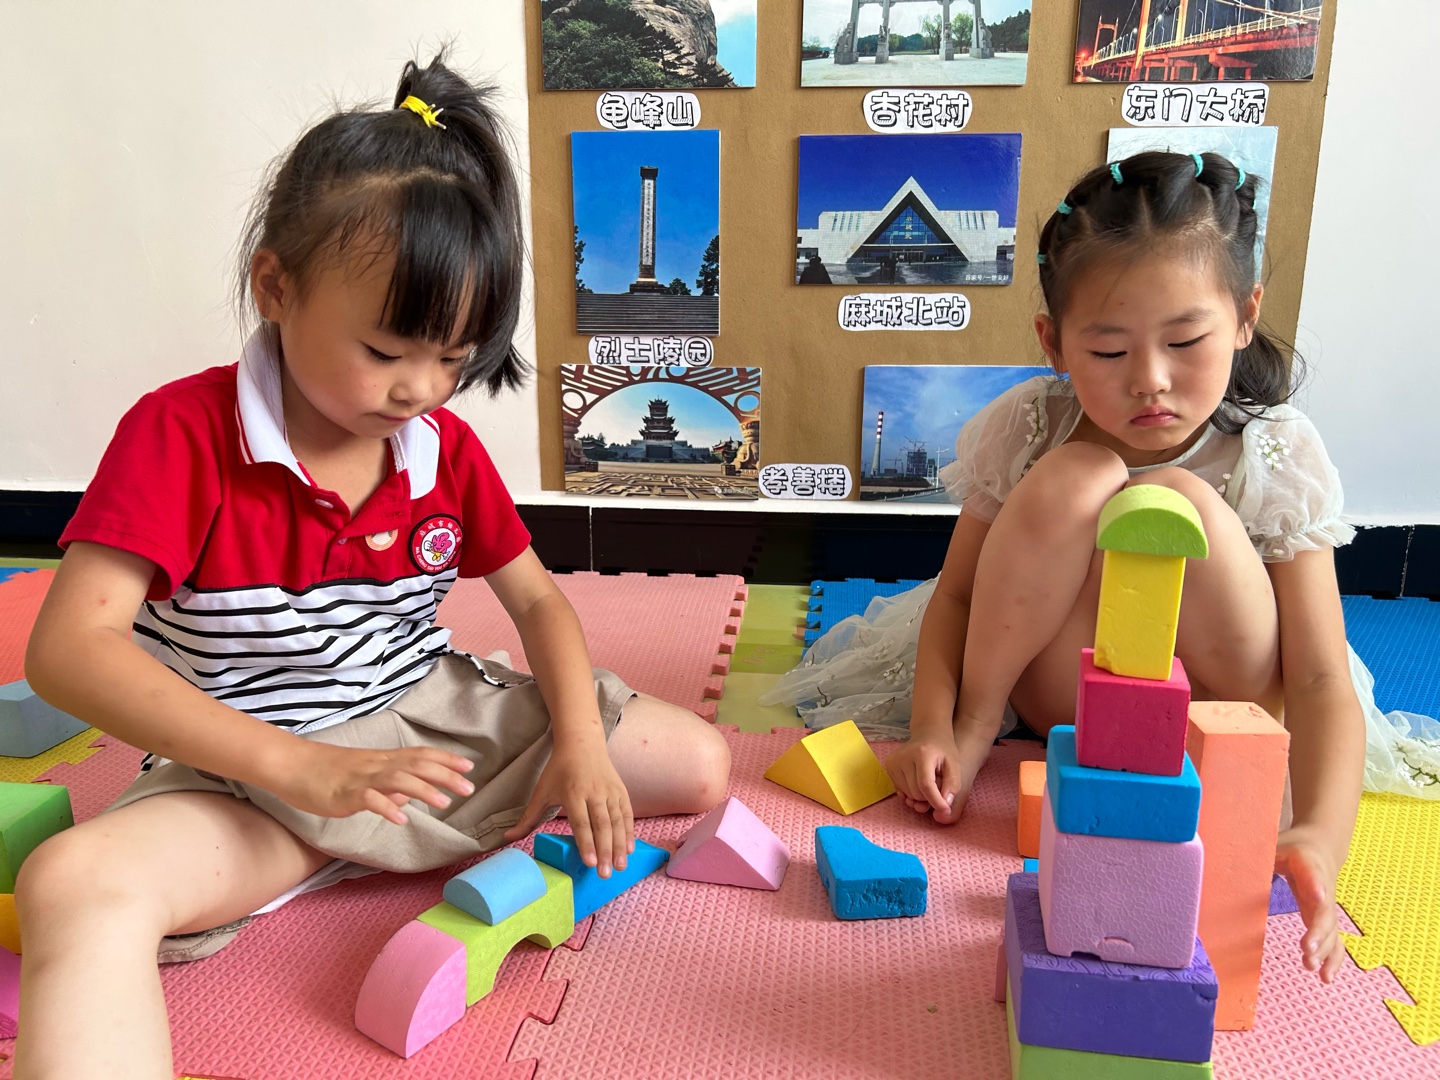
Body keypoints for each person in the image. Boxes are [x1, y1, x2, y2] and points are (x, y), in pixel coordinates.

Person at [15, 54, 730, 1077]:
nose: (420, 390)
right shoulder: (178, 435)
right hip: (249, 768)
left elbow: (539, 604)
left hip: (428, 727)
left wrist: (578, 745)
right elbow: (68, 652)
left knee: (696, 764)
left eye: (453, 358)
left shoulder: (441, 449)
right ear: (276, 287)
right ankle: (325, 847)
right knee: (73, 887)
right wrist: (299, 770)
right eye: (389, 352)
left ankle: (353, 845)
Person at [764, 151, 1366, 983]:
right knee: (1081, 475)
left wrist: (1320, 838)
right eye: (1109, 351)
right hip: (1066, 706)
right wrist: (941, 726)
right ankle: (980, 731)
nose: (1151, 381)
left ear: (1244, 316)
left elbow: (1322, 676)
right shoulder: (1031, 425)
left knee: (1177, 500)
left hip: (1214, 717)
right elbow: (958, 597)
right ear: (1052, 343)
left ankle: (1212, 766)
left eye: (1185, 341)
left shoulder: (1275, 447)